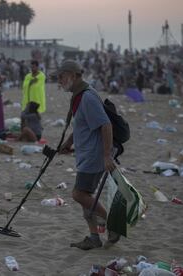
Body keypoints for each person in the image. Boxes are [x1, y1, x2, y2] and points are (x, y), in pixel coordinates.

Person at [57, 60, 119, 250]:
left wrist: (107, 155)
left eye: (62, 76)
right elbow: (82, 125)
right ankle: (94, 237)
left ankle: (112, 224)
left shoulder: (87, 97)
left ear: (74, 75)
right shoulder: (79, 95)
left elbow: (105, 125)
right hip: (85, 154)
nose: (59, 80)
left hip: (94, 156)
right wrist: (69, 142)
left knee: (79, 194)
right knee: (86, 198)